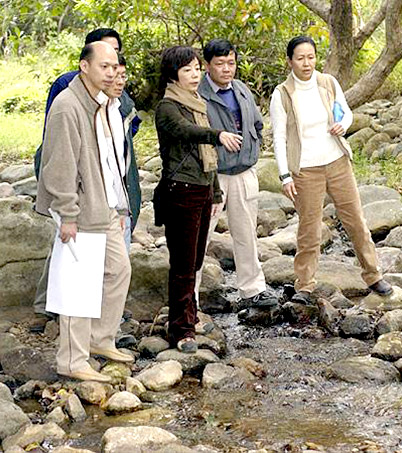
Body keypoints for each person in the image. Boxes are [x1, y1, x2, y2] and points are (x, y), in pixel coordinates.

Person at [31, 28, 141, 332]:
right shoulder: (69, 97)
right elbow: (60, 156)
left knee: (117, 269)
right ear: (86, 63)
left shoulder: (111, 102)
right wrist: (67, 211)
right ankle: (71, 348)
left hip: (105, 201)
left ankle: (101, 336)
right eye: (104, 63)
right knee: (78, 276)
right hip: (81, 200)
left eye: (115, 61)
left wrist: (121, 205)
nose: (111, 70)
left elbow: (116, 156)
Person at [269, 36, 392, 304]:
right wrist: (285, 175)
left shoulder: (328, 82)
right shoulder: (282, 94)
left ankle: (373, 275)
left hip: (337, 162)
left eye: (311, 57)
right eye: (300, 58)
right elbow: (278, 137)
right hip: (305, 170)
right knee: (309, 229)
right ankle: (304, 285)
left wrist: (343, 126)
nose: (306, 63)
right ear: (290, 61)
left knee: (356, 221)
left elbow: (346, 113)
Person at [153, 46, 242, 353]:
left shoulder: (197, 102)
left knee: (196, 261)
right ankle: (180, 330)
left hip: (203, 188)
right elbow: (186, 132)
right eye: (187, 70)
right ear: (173, 74)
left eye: (196, 69)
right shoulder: (168, 107)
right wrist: (217, 134)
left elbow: (209, 159)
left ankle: (189, 316)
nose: (195, 75)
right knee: (182, 263)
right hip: (181, 190)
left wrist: (216, 192)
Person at [195, 38, 278, 309]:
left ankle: (252, 289)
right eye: (220, 64)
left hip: (244, 171)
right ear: (207, 65)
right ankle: (189, 296)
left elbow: (256, 122)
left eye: (231, 63)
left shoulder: (241, 89)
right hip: (213, 175)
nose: (227, 69)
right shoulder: (198, 94)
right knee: (199, 236)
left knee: (246, 232)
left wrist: (254, 148)